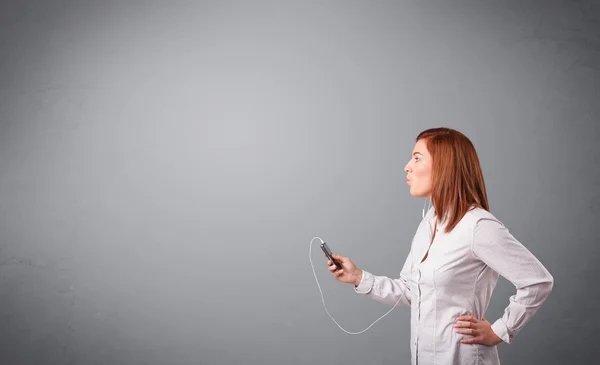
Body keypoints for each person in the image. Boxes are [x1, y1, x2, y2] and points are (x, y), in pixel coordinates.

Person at [325, 127, 554, 365]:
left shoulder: (477, 226)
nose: (407, 166)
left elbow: (538, 281)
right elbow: (412, 290)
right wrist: (358, 277)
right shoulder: (430, 223)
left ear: (445, 166)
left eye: (416, 158)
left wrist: (501, 330)